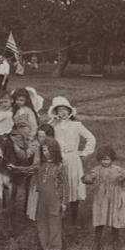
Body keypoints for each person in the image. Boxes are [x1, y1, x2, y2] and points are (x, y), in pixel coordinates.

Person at [9, 137, 69, 250]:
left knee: (54, 222)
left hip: (55, 199)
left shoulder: (60, 167)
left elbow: (66, 186)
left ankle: (56, 248)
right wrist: (15, 168)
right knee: (42, 221)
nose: (46, 153)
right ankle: (44, 245)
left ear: (54, 151)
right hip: (42, 199)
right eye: (43, 151)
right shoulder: (41, 165)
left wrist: (64, 202)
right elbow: (28, 169)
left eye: (48, 150)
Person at [48, 97, 96, 227]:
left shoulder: (76, 125)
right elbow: (43, 134)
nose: (63, 112)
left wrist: (84, 152)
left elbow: (91, 138)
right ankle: (59, 218)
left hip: (73, 160)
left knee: (73, 186)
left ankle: (74, 219)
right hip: (58, 160)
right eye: (59, 110)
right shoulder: (53, 126)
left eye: (65, 109)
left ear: (69, 110)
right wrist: (52, 122)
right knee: (59, 186)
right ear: (56, 112)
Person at [82, 145, 125, 250]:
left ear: (112, 159)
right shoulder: (97, 170)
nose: (105, 162)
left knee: (115, 222)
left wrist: (124, 177)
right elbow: (89, 177)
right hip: (101, 200)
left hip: (114, 199)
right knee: (99, 221)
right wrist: (88, 178)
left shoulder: (118, 170)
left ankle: (115, 244)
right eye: (102, 159)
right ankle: (96, 242)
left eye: (107, 159)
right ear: (99, 160)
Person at [26, 124, 56, 221]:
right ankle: (34, 214)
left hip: (48, 172)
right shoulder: (37, 144)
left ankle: (48, 214)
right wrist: (31, 146)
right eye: (39, 136)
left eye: (43, 136)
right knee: (35, 191)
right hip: (36, 172)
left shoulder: (53, 145)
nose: (41, 138)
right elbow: (28, 153)